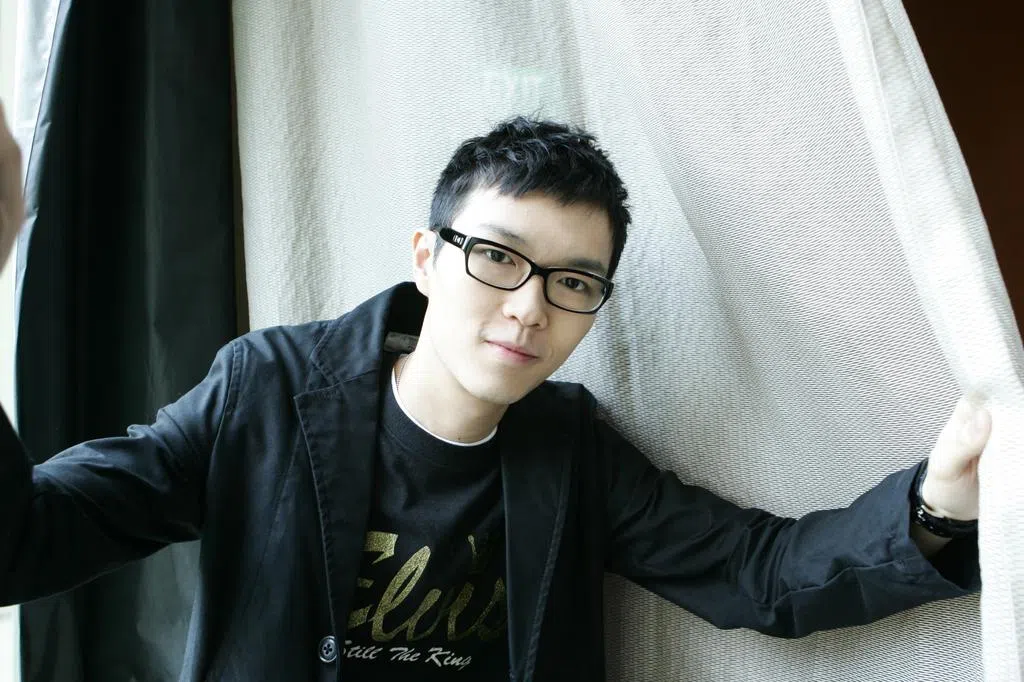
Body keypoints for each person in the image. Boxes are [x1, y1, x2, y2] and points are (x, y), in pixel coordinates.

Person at [0, 104, 989, 681]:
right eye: (498, 258)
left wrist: (940, 501)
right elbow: (31, 538)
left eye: (572, 282)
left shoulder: (573, 447)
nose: (528, 308)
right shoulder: (265, 392)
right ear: (426, 258)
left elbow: (758, 573)